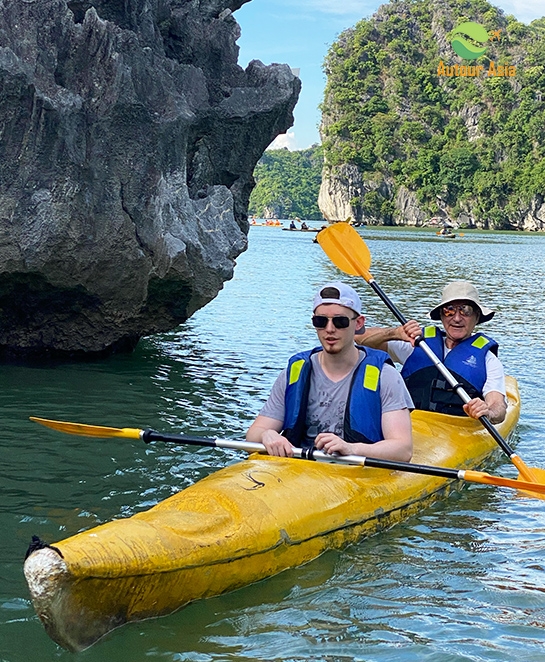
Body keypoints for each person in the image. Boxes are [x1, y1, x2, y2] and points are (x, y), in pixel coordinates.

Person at [246, 282, 414, 461]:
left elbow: (402, 450)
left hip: (356, 473)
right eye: (320, 321)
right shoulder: (294, 372)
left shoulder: (385, 376)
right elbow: (254, 434)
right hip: (298, 471)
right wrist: (267, 435)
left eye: (340, 321)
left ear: (358, 323)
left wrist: (351, 448)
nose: (329, 329)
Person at [355, 281, 506, 424]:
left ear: (477, 317)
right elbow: (357, 340)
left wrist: (488, 411)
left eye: (466, 311)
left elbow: (497, 406)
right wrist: (393, 333)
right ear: (441, 315)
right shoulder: (416, 344)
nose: (457, 318)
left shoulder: (488, 360)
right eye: (449, 311)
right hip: (410, 424)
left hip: (456, 430)